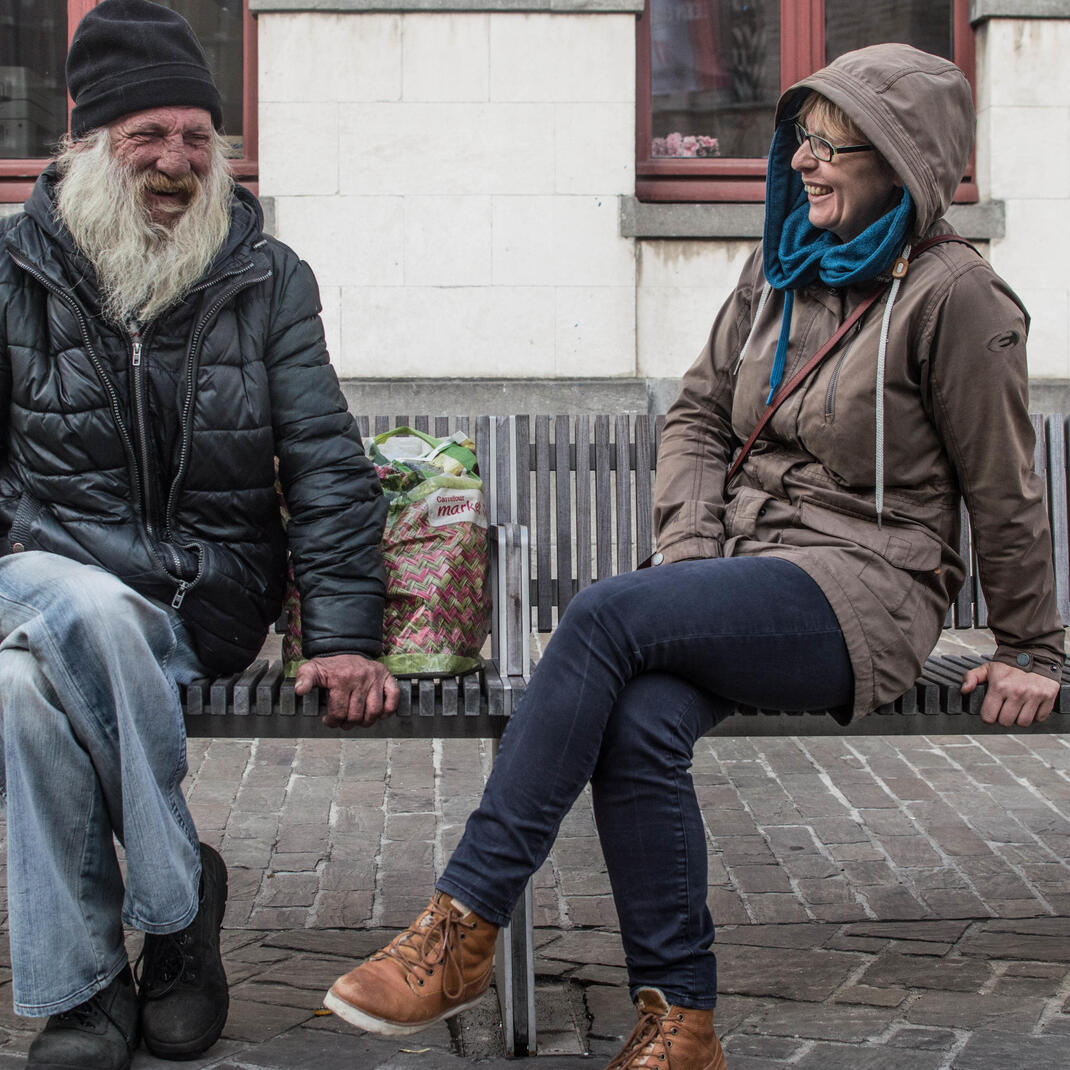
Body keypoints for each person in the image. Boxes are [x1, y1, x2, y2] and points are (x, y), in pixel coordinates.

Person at [322, 42, 1065, 1070]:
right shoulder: (778, 267)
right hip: (745, 568)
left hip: (868, 588)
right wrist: (690, 548)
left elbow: (1003, 481)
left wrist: (1030, 641)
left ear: (903, 161)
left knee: (600, 614)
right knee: (636, 716)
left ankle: (463, 923)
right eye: (799, 137)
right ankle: (681, 1020)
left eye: (834, 144)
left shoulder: (956, 298)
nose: (803, 161)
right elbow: (699, 416)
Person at [0, 2, 398, 1068]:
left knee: (16, 689)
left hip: (195, 602)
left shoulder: (265, 278)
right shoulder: (9, 273)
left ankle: (85, 991)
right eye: (149, 136)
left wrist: (344, 629)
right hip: (38, 578)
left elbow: (323, 459)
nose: (177, 161)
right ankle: (175, 915)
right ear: (86, 144)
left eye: (196, 137)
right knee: (66, 599)